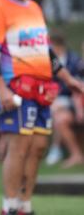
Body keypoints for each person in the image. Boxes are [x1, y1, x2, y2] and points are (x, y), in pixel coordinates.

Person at [0, 0, 84, 215]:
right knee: (19, 147)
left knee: (38, 148)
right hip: (17, 88)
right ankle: (10, 206)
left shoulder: (35, 8)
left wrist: (68, 79)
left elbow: (45, 49)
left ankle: (25, 205)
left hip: (42, 90)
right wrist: (1, 88)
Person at [44, 35, 84, 168]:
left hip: (66, 99)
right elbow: (77, 91)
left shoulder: (74, 60)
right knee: (60, 119)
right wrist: (79, 110)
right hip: (72, 103)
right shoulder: (81, 65)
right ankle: (75, 154)